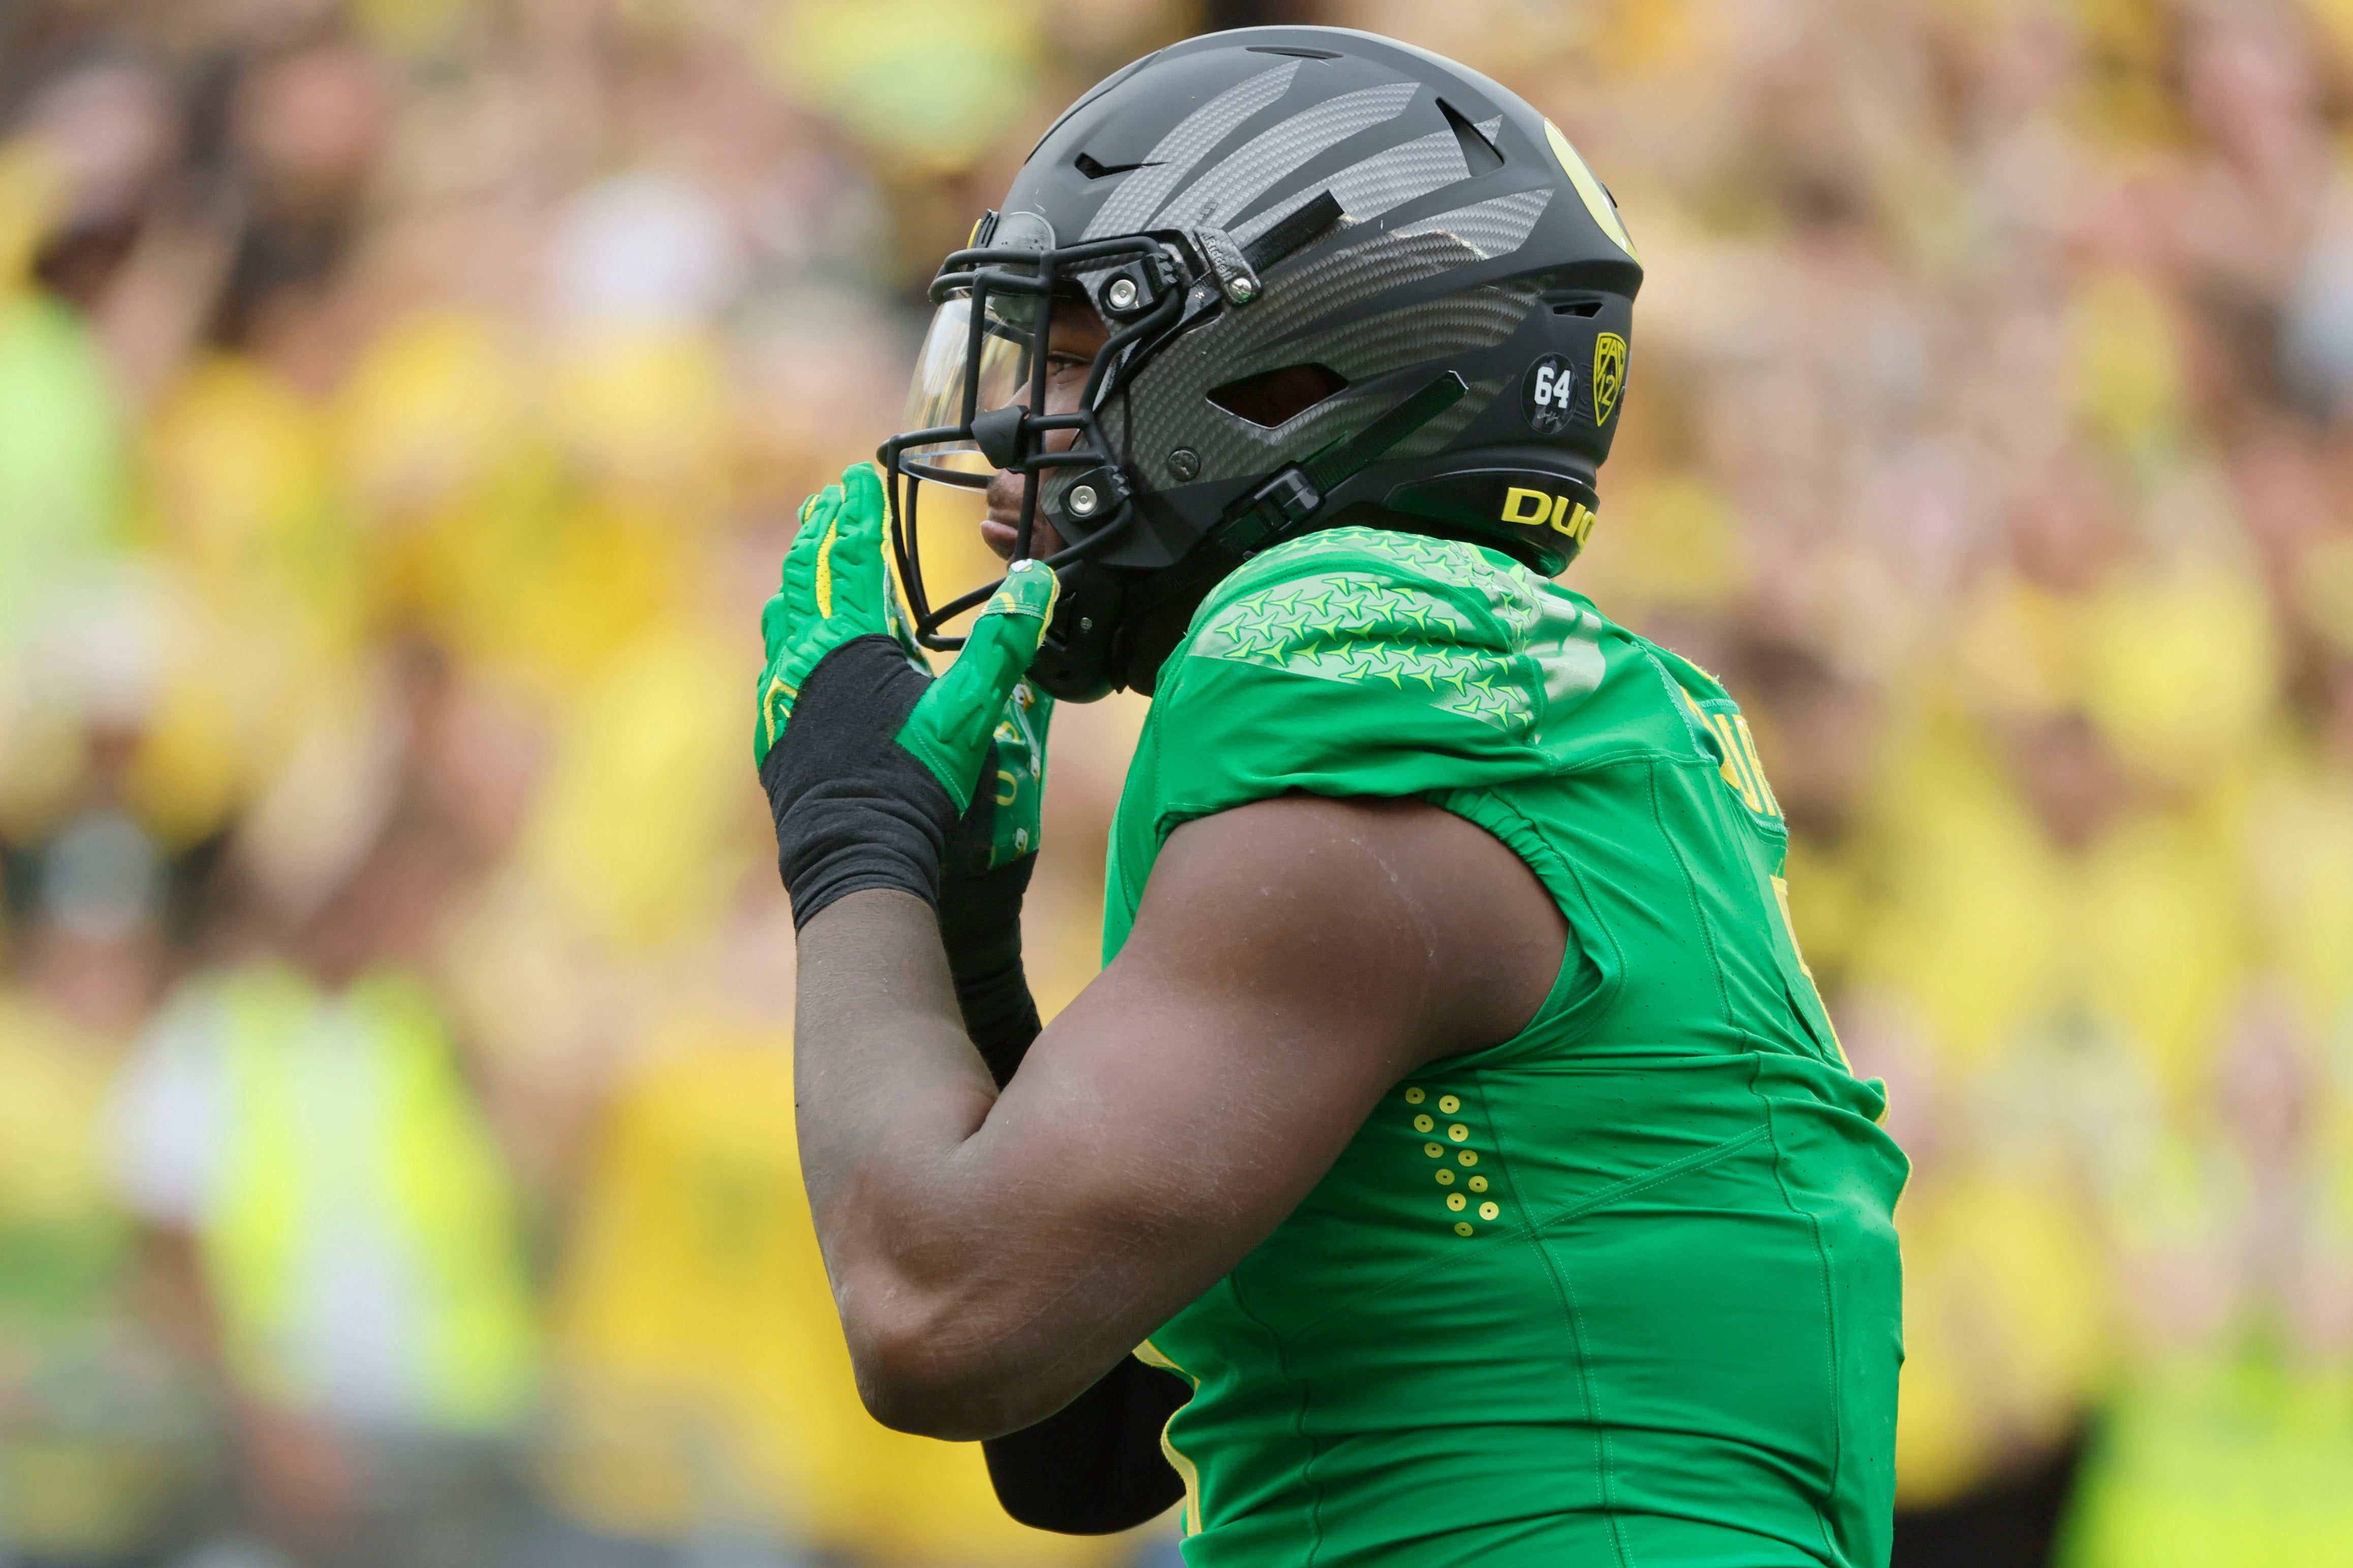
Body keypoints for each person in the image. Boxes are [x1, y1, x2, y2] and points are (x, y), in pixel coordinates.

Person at [754, 26, 1907, 1568]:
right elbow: (1086, 1437)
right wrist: (961, 938)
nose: (1018, 430)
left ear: (1292, 373)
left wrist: (849, 828)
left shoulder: (1340, 647)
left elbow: (938, 1317)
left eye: (1079, 355)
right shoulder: (1536, 704)